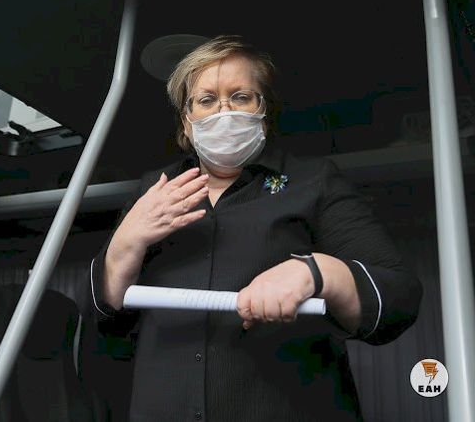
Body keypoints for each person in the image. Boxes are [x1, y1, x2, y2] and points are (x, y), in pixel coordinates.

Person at [88, 35, 422, 421]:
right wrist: (125, 243)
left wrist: (317, 272)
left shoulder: (313, 182)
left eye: (241, 97)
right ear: (186, 122)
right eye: (206, 100)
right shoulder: (154, 189)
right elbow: (104, 324)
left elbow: (398, 297)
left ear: (264, 110)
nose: (224, 112)